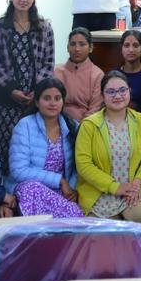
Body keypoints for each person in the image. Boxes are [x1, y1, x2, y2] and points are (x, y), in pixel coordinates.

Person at [0, 0, 56, 173]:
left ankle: (30, 183)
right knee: (4, 142)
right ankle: (3, 183)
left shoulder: (44, 27)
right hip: (6, 97)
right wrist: (11, 89)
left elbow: (48, 62)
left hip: (35, 99)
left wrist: (37, 91)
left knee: (32, 143)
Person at [76, 70, 141, 221]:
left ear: (129, 91)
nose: (118, 96)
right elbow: (83, 165)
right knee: (107, 230)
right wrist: (114, 187)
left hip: (132, 189)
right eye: (111, 92)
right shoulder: (89, 125)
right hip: (99, 192)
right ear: (102, 96)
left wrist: (137, 183)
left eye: (122, 90)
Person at [10, 77, 83, 218]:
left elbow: (79, 165)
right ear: (37, 102)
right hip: (31, 189)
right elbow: (18, 170)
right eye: (47, 98)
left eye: (57, 98)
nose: (53, 103)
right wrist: (59, 180)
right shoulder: (25, 126)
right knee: (33, 189)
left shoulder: (72, 126)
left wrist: (72, 188)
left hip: (63, 190)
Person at [54, 27, 104, 123]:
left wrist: (82, 127)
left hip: (86, 125)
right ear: (67, 47)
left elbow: (95, 109)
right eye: (73, 44)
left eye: (82, 44)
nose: (77, 49)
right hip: (56, 123)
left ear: (90, 48)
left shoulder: (98, 75)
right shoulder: (56, 71)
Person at [116, 29, 141, 105]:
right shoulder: (114, 75)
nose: (131, 50)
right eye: (126, 45)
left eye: (135, 45)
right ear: (121, 49)